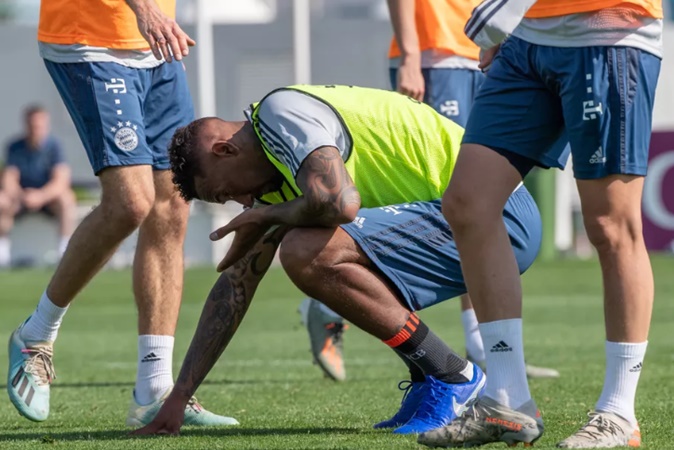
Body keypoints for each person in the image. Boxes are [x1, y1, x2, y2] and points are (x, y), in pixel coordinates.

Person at [130, 84, 542, 436]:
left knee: (308, 251)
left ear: (225, 150)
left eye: (225, 193)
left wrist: (267, 216)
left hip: (498, 217)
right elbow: (236, 287)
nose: (239, 202)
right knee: (318, 253)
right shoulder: (272, 180)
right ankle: (431, 377)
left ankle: (452, 377)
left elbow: (341, 203)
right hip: (469, 221)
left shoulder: (281, 115)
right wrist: (180, 396)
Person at [419, 0, 662, 448]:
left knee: (611, 226)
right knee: (467, 203)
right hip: (525, 39)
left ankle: (619, 412)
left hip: (605, 30)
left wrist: (500, 13)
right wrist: (506, 24)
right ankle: (507, 399)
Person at [299, 0, 559, 382]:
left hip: (484, 49)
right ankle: (327, 301)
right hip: (435, 56)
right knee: (442, 192)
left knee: (474, 205)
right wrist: (410, 54)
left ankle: (479, 342)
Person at [7, 0, 235, 427]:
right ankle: (35, 337)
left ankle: (154, 389)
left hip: (156, 47)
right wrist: (144, 9)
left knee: (173, 208)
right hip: (91, 42)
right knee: (131, 202)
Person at [0, 106, 75, 268]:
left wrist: (40, 196)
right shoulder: (14, 146)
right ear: (26, 125)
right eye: (32, 125)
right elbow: (9, 179)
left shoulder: (55, 146)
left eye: (39, 125)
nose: (36, 129)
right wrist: (23, 196)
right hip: (20, 199)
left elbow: (61, 180)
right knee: (2, 200)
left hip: (48, 200)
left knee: (66, 199)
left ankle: (64, 251)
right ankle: (2, 253)